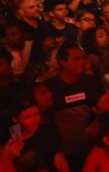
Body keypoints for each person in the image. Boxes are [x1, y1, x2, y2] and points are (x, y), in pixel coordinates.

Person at [44, 41, 103, 169]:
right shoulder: (51, 87)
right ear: (63, 62)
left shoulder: (91, 81)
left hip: (90, 147)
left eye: (83, 58)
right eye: (76, 59)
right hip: (64, 151)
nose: (82, 62)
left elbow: (101, 109)